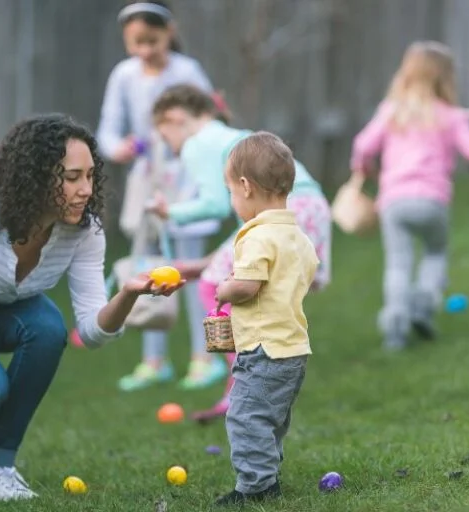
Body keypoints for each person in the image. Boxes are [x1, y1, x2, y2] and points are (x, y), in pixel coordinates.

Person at [0, 114, 183, 502]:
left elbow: (92, 332)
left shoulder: (83, 233)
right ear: (35, 176)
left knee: (48, 328)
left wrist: (129, 294)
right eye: (71, 177)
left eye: (90, 176)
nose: (85, 189)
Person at [149, 85, 332, 421]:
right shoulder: (235, 136)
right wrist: (201, 266)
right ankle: (266, 375)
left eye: (165, 135)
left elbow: (216, 205)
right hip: (312, 208)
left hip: (281, 213)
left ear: (175, 119)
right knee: (260, 287)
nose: (170, 145)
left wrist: (170, 212)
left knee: (210, 286)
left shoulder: (198, 143)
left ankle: (244, 382)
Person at [350, 41, 469, 350]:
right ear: (446, 78)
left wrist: (363, 169)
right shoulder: (450, 116)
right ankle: (424, 304)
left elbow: (363, 146)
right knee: (435, 252)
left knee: (398, 264)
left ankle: (395, 327)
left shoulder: (391, 112)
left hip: (394, 201)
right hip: (432, 202)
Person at [95, 0, 226, 390]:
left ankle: (207, 358)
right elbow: (107, 131)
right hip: (147, 182)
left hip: (186, 180)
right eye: (136, 43)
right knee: (149, 268)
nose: (145, 51)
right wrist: (118, 148)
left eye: (152, 41)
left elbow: (209, 120)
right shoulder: (124, 75)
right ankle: (154, 360)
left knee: (190, 266)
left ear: (169, 32)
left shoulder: (187, 72)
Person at [211, 132, 319, 506]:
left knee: (246, 417)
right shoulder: (297, 236)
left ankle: (256, 487)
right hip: (293, 347)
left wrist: (226, 289)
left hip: (263, 348)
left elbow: (249, 286)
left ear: (245, 186)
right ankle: (266, 475)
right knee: (270, 419)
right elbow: (309, 274)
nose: (232, 201)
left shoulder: (257, 236)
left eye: (230, 192)